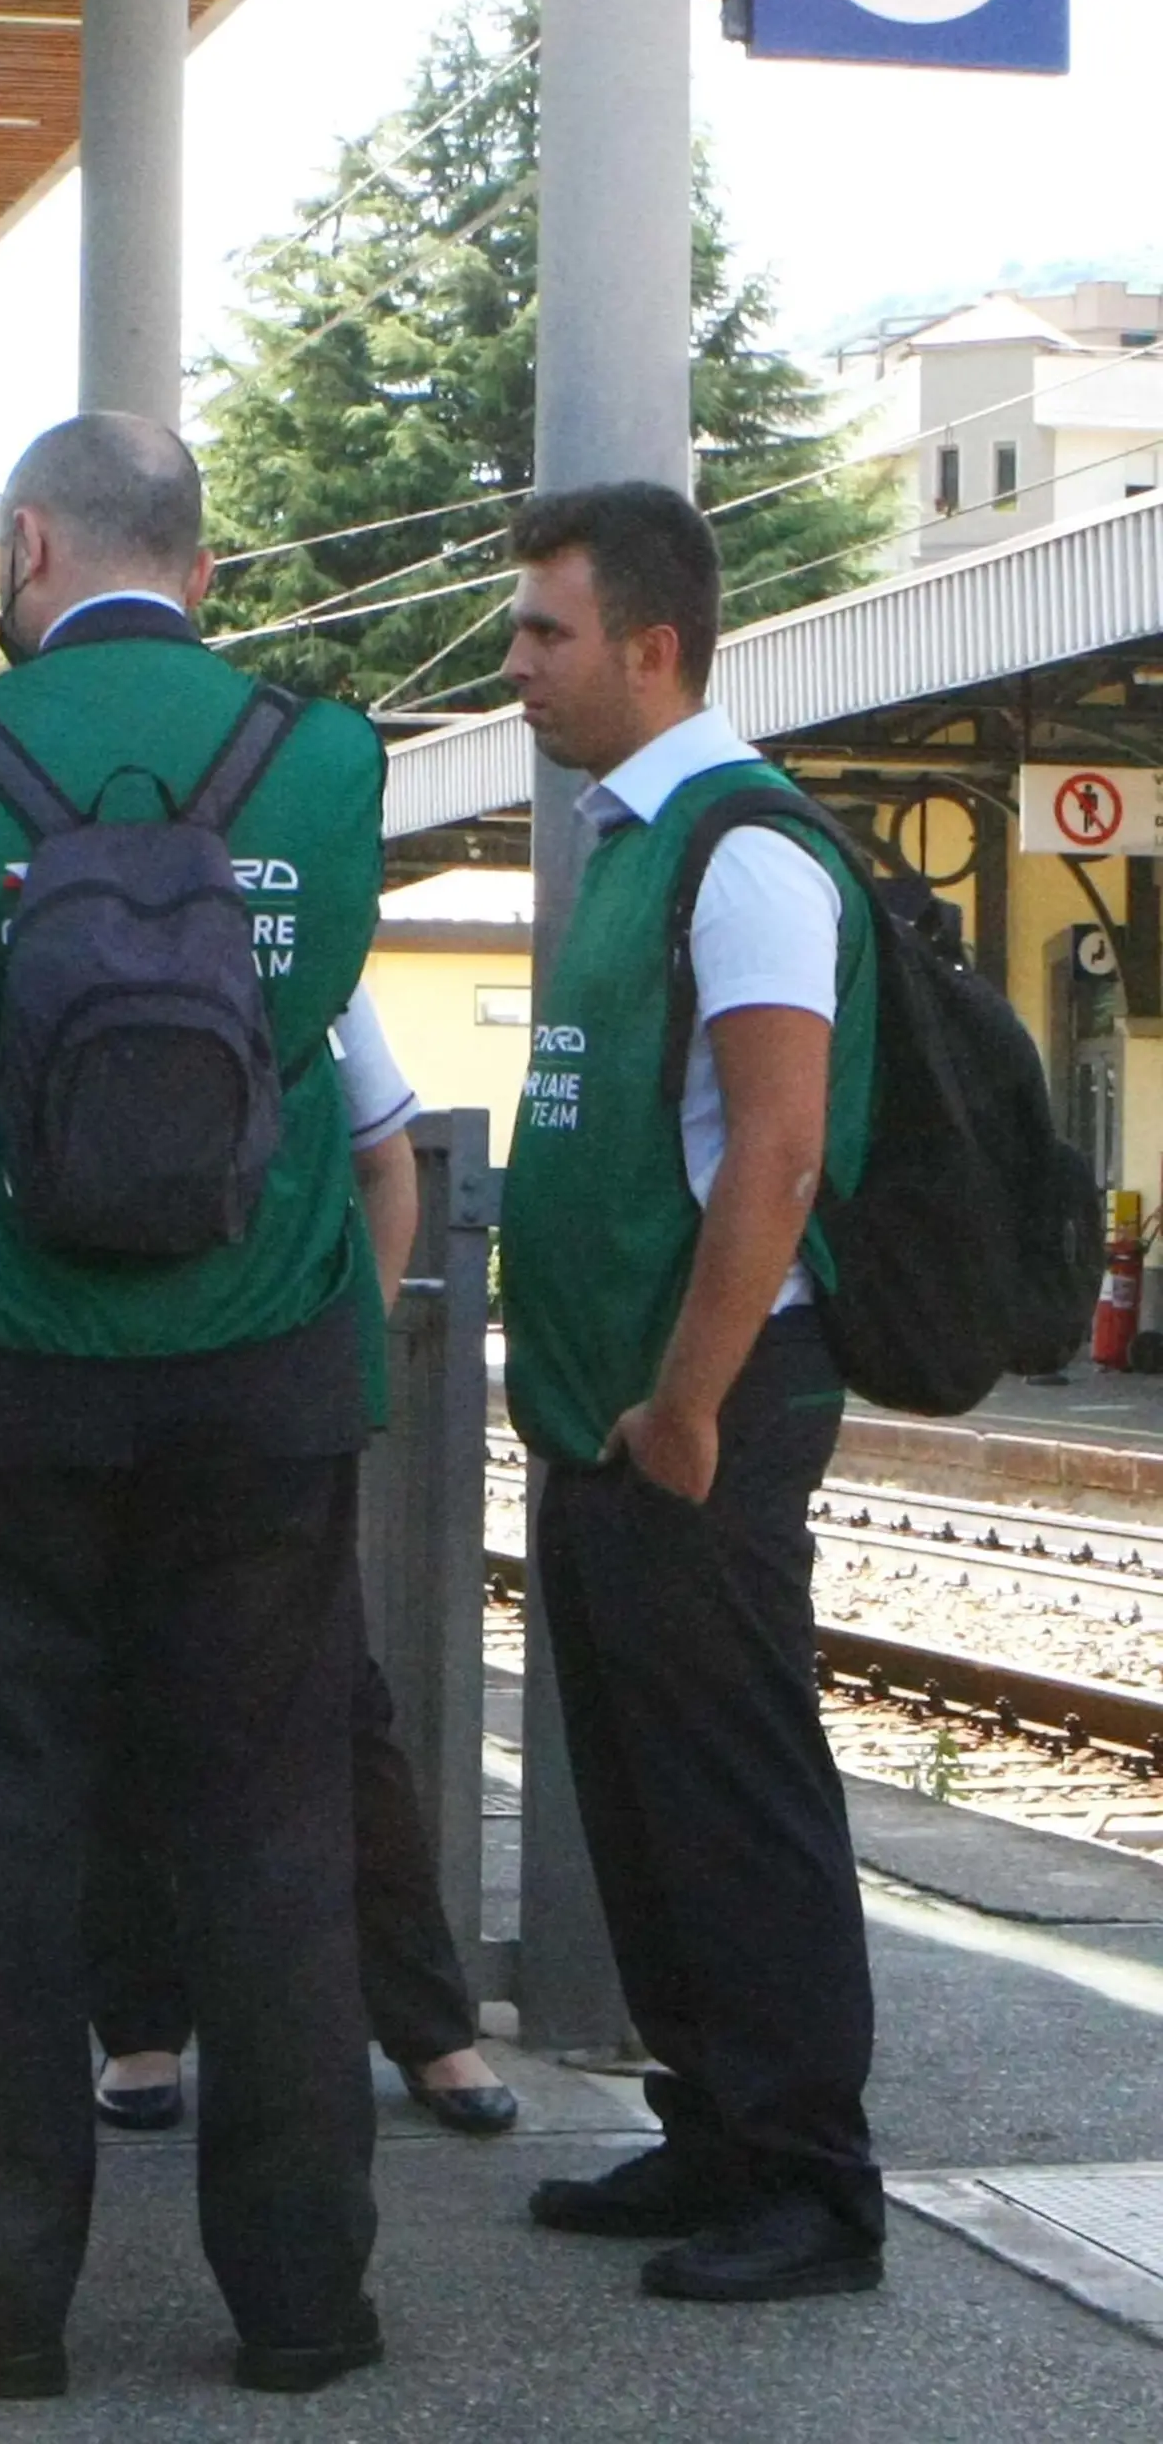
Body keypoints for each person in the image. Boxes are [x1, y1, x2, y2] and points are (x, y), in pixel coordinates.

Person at [0, 413, 389, 2398]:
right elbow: (301, 1013)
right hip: (259, 1344)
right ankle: (302, 2300)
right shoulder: (318, 760)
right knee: (267, 1821)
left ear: (26, 544)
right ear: (203, 570)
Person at [495, 481, 884, 2303]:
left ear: (653, 646)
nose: (517, 667)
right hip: (613, 1412)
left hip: (700, 1407)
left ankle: (809, 2174)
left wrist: (688, 1406)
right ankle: (711, 2125)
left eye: (546, 632)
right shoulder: (630, 837)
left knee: (734, 1788)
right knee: (647, 1790)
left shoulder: (744, 850)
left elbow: (780, 1148)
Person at [86, 1000, 522, 2142]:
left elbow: (390, 1167)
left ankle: (425, 2023)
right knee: (124, 1688)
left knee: (334, 1703)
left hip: (264, 1395)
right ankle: (141, 2025)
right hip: (87, 1376)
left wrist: (346, 1359)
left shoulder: (303, 934)